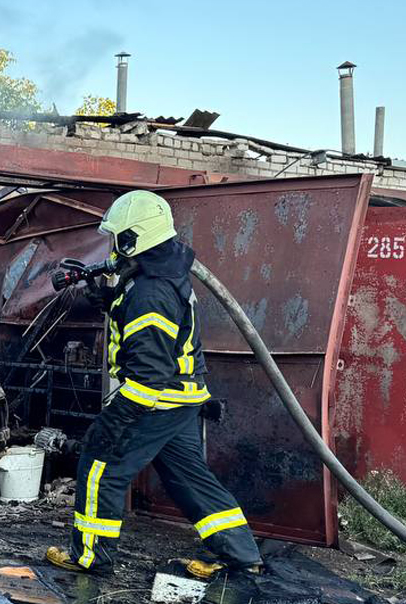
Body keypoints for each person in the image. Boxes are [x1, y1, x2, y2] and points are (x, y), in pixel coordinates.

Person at [45, 190, 263, 579]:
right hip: (182, 400)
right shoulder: (160, 267)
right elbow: (138, 314)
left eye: (118, 238)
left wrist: (116, 419)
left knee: (99, 467)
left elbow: (149, 372)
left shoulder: (152, 292)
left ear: (134, 239)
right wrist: (107, 298)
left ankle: (91, 557)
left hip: (157, 399)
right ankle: (243, 555)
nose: (113, 246)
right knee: (190, 478)